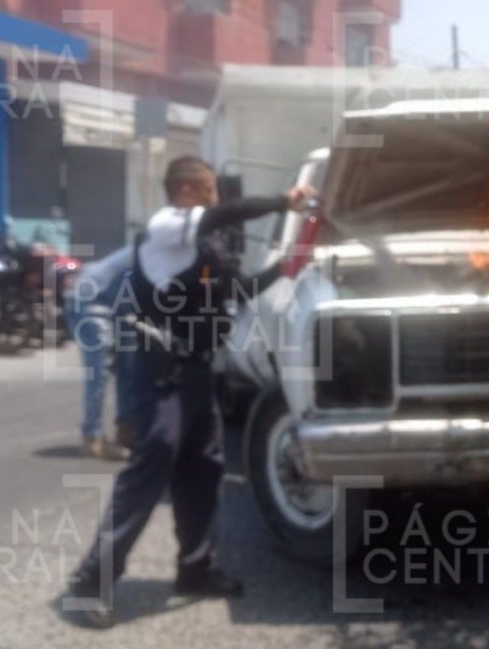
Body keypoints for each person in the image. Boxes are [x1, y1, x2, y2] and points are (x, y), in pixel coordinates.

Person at [62, 157, 311, 629]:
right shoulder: (165, 227)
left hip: (196, 372)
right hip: (159, 370)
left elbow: (239, 291)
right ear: (189, 192)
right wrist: (284, 200)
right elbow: (225, 215)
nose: (218, 200)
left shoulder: (202, 247)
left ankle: (195, 569)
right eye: (212, 190)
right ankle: (87, 584)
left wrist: (289, 267)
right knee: (149, 470)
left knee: (203, 469)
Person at [65, 247, 151, 460]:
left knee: (128, 367)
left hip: (119, 305)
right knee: (99, 370)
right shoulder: (156, 253)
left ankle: (127, 431)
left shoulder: (158, 249)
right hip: (92, 299)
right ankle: (92, 437)